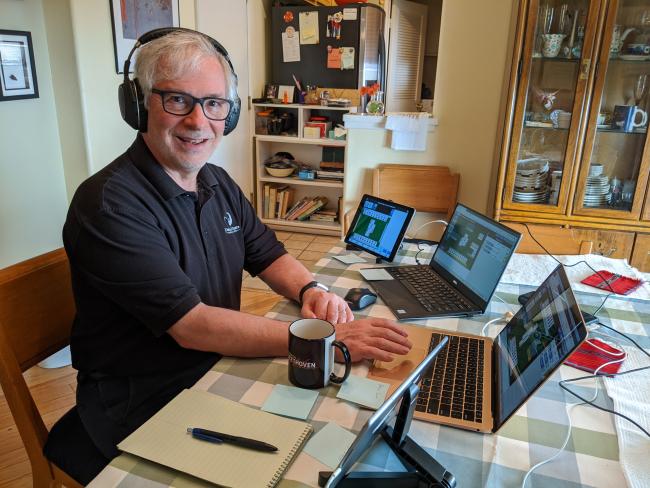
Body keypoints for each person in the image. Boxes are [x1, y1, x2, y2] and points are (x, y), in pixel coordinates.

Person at [52, 29, 411, 483]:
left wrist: (309, 288)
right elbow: (192, 325)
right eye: (177, 101)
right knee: (305, 461)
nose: (198, 122)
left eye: (214, 103)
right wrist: (323, 342)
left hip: (216, 366)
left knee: (346, 430)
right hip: (143, 399)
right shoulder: (109, 205)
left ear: (231, 113)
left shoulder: (216, 181)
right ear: (139, 105)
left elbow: (266, 252)